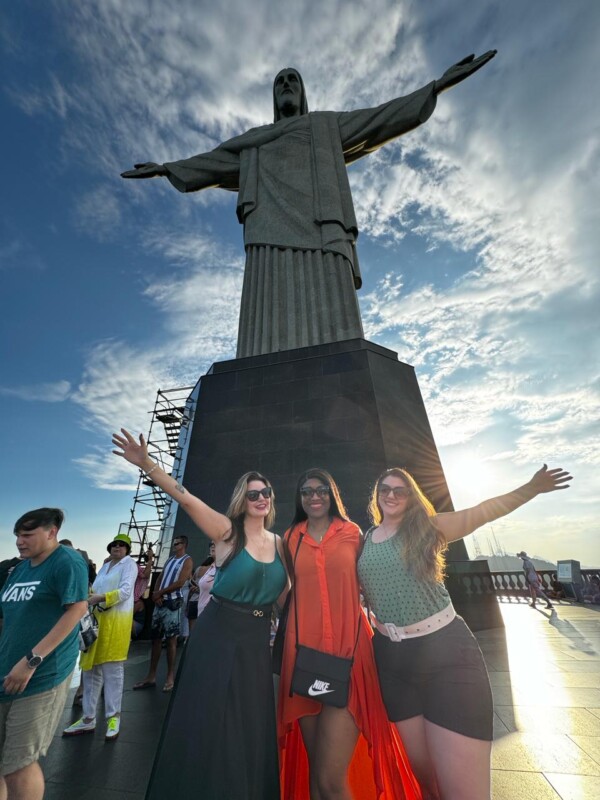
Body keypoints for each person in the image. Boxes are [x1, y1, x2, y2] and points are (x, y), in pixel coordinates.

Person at [122, 52, 496, 358]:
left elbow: (380, 118)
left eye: (293, 80)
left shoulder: (325, 127)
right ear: (273, 96)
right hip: (268, 233)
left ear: (302, 92)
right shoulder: (254, 142)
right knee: (264, 327)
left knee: (337, 329)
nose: (286, 85)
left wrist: (436, 87)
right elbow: (210, 163)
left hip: (323, 227)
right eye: (280, 81)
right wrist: (165, 168)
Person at [357, 464, 572, 800]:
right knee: (427, 781)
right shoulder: (364, 541)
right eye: (385, 489)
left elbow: (479, 514)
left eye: (401, 490)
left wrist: (531, 488)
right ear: (377, 495)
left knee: (462, 788)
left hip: (445, 651)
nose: (392, 495)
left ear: (412, 497)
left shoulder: (427, 527)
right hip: (392, 661)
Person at [112, 428, 287, 800]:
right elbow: (185, 498)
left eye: (265, 492)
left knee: (248, 723)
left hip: (256, 643)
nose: (260, 498)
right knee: (208, 722)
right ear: (243, 499)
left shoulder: (281, 544)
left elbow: (288, 599)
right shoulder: (227, 531)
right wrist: (148, 465)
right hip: (218, 634)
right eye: (253, 493)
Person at [278, 468, 419, 800]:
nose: (315, 496)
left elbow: (374, 581)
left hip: (349, 656)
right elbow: (286, 590)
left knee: (330, 779)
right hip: (303, 659)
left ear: (332, 495)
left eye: (322, 490)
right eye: (307, 491)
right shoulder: (291, 538)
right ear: (299, 498)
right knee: (317, 775)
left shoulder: (353, 534)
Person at [0, 508, 88, 800]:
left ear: (52, 532)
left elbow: (77, 608)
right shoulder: (21, 568)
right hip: (6, 672)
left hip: (40, 676)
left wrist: (31, 661)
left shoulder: (66, 561)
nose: (19, 542)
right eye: (17, 535)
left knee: (19, 764)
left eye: (27, 535)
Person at [63, 532, 138, 741]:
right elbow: (95, 589)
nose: (117, 547)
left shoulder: (129, 564)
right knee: (90, 670)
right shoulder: (106, 566)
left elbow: (124, 592)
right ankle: (88, 718)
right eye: (114, 544)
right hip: (97, 624)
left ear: (127, 549)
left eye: (122, 545)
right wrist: (89, 596)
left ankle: (113, 717)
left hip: (116, 623)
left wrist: (100, 598)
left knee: (113, 671)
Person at [133, 537, 193, 692]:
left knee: (171, 640)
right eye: (174, 543)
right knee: (156, 639)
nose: (174, 545)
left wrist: (160, 592)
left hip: (172, 603)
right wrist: (156, 594)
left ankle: (170, 676)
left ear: (184, 545)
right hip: (160, 602)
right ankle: (151, 676)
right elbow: (160, 576)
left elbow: (180, 582)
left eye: (178, 543)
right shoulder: (170, 560)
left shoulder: (187, 561)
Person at [187, 542, 216, 631]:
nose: (212, 546)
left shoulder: (226, 568)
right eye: (211, 544)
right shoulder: (211, 568)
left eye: (216, 543)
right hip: (199, 607)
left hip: (213, 615)